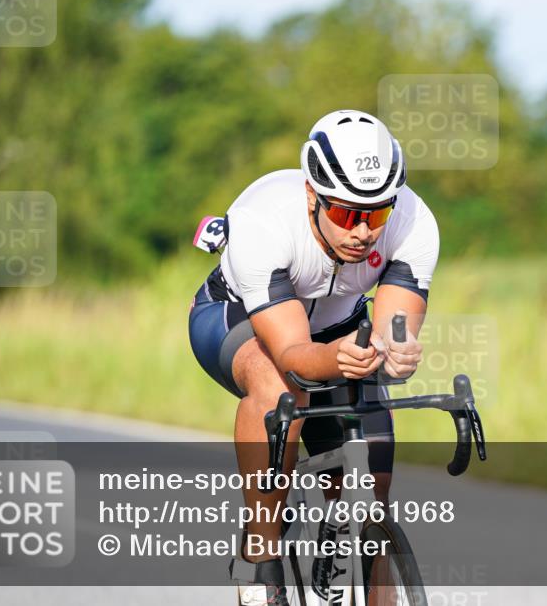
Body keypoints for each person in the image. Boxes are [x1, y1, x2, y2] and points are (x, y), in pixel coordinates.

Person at [187, 109, 439, 605]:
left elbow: (394, 323)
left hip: (340, 328)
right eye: (347, 214)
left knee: (372, 495)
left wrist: (398, 346)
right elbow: (296, 355)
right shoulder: (263, 219)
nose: (364, 231)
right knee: (282, 388)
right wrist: (341, 358)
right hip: (241, 320)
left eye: (378, 214)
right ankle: (260, 559)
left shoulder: (414, 221)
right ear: (312, 194)